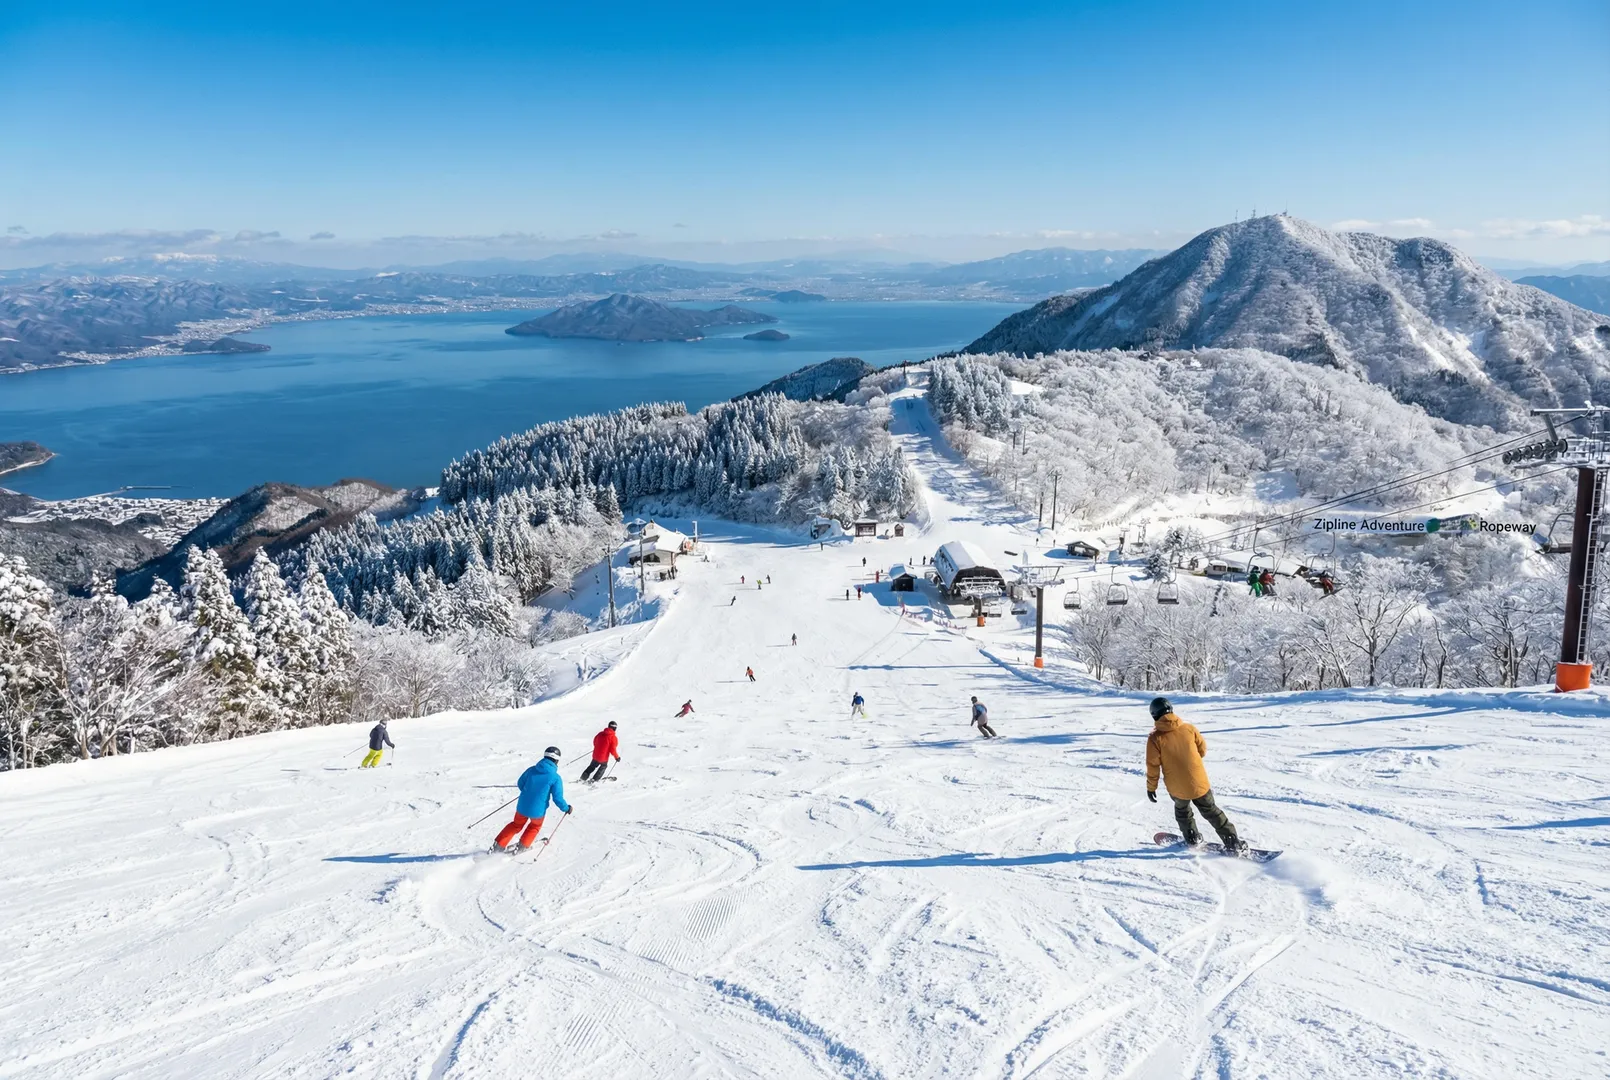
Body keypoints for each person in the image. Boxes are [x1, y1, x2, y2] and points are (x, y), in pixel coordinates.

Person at [1144, 697, 1244, 852]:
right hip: (1199, 781)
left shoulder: (1155, 738)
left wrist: (1151, 788)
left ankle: (1192, 838)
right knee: (1211, 810)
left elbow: (1153, 766)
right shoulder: (1189, 728)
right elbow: (1202, 750)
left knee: (1183, 813)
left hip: (1177, 787)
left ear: (1154, 715)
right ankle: (1233, 842)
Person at [494, 747, 573, 851]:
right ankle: (522, 846)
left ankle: (499, 844)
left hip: (522, 807)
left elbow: (520, 783)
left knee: (516, 825)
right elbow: (557, 798)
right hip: (538, 811)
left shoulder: (531, 770)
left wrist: (528, 792)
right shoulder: (555, 777)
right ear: (557, 760)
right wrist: (566, 808)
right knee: (534, 827)